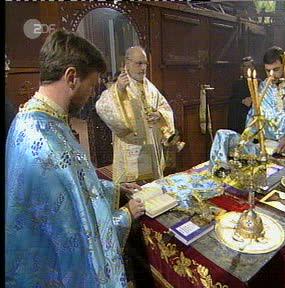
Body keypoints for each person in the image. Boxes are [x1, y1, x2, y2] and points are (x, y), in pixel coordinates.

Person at [5, 30, 145, 287]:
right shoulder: (47, 146)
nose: (92, 94)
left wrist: (115, 189)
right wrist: (125, 215)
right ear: (71, 77)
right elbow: (80, 244)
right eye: (91, 85)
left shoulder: (33, 118)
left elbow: (75, 189)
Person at [96, 46, 175, 184]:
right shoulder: (120, 85)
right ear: (127, 63)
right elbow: (102, 106)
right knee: (134, 194)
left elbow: (164, 107)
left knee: (154, 191)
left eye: (145, 63)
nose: (143, 68)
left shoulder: (149, 87)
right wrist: (119, 90)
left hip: (151, 146)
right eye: (139, 63)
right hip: (131, 148)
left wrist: (159, 114)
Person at [228, 56, 256, 133]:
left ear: (253, 68)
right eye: (245, 66)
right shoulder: (237, 84)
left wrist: (253, 100)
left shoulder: (259, 83)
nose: (247, 69)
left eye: (249, 66)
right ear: (241, 69)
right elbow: (232, 101)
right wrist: (242, 101)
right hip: (240, 120)